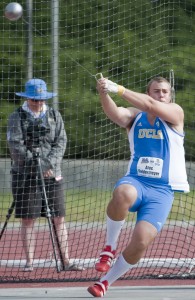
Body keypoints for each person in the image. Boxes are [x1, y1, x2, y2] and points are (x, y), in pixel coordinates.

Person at [88, 75, 189, 297]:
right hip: (137, 181)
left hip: (162, 191)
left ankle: (105, 281)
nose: (160, 95)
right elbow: (116, 113)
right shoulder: (136, 117)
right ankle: (109, 247)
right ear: (148, 92)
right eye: (156, 91)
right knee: (123, 193)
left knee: (142, 241)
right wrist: (105, 93)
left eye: (164, 91)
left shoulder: (175, 114)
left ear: (170, 95)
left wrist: (119, 88)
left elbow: (151, 105)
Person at [7, 78, 84, 272]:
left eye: (41, 99)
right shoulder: (17, 116)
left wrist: (48, 164)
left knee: (59, 218)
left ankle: (66, 261)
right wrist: (37, 166)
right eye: (34, 99)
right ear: (27, 98)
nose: (38, 103)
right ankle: (29, 262)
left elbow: (61, 142)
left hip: (52, 174)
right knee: (28, 219)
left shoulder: (54, 115)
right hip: (26, 175)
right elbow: (15, 146)